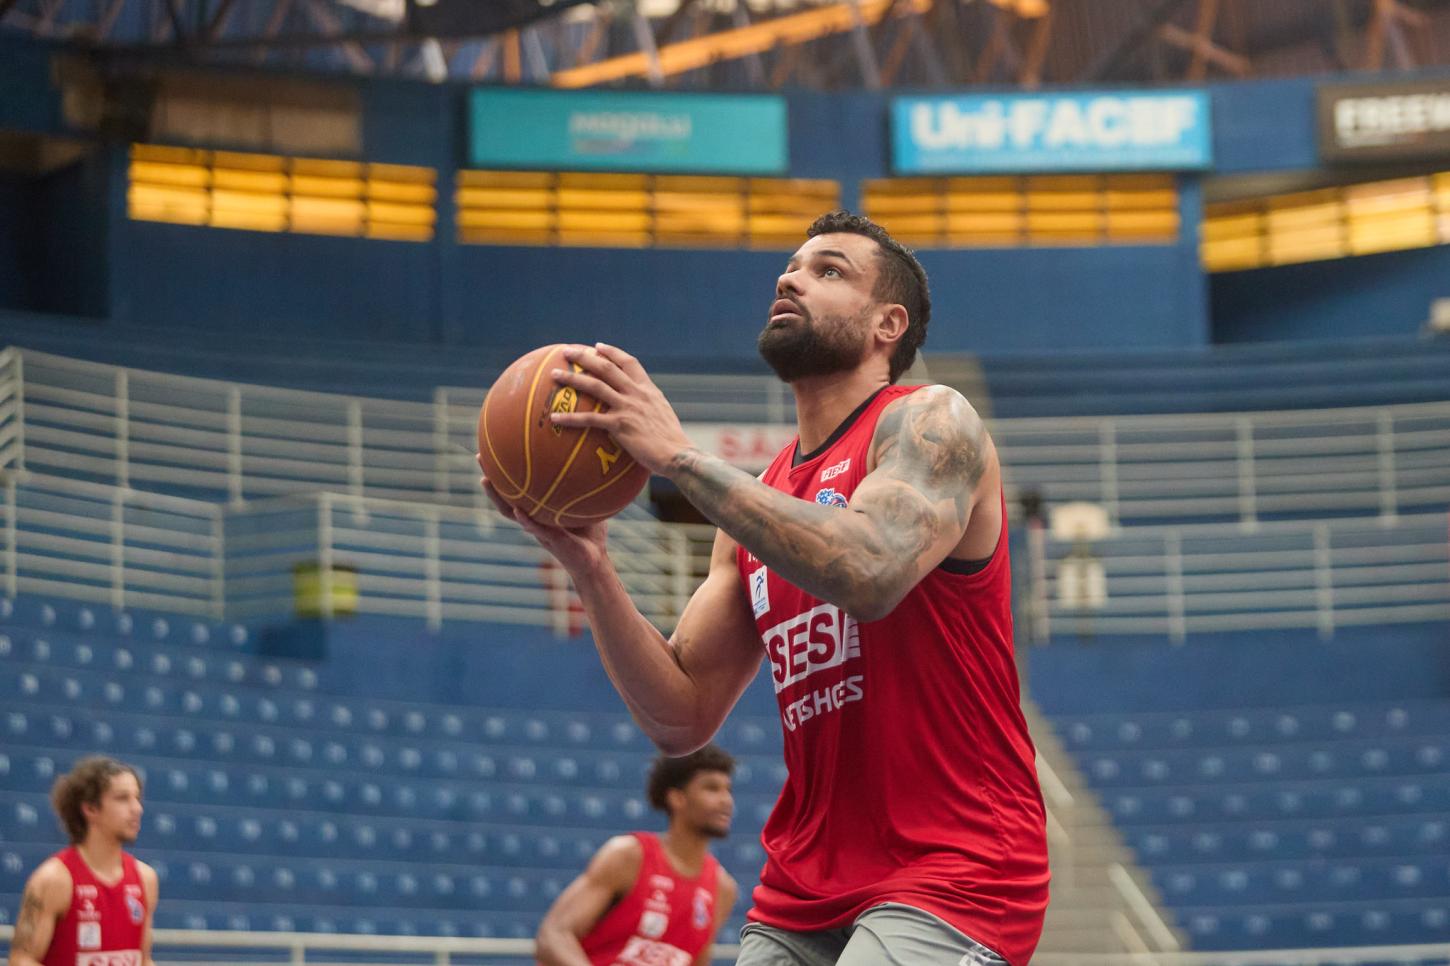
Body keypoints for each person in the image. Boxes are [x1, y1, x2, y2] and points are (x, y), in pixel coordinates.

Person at [482, 210, 1049, 965]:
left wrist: (681, 459)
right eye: (791, 266)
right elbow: (681, 717)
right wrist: (591, 567)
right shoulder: (756, 505)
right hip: (805, 880)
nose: (790, 277)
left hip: (956, 862)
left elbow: (873, 570)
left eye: (829, 270)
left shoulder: (931, 422)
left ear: (889, 324)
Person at [535, 745, 739, 966]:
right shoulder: (628, 855)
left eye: (728, 790)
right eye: (711, 788)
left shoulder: (723, 889)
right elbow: (553, 936)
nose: (725, 800)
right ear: (677, 798)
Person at [9, 756, 158, 966]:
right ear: (90, 809)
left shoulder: (146, 878)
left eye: (137, 798)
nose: (137, 809)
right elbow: (21, 959)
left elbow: (143, 959)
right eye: (123, 798)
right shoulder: (53, 880)